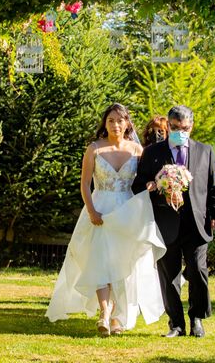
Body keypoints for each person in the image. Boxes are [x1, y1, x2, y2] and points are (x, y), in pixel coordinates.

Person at [46, 103, 166, 337]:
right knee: (101, 261)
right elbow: (84, 183)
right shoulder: (94, 149)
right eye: (111, 120)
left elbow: (144, 180)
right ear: (105, 123)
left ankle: (119, 317)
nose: (115, 125)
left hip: (127, 212)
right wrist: (91, 210)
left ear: (127, 123)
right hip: (100, 209)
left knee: (124, 263)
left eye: (120, 120)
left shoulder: (137, 151)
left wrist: (154, 183)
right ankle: (104, 312)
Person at [132, 105, 215, 338]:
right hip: (165, 221)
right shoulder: (153, 153)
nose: (179, 132)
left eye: (184, 128)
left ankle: (197, 319)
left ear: (191, 127)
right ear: (168, 126)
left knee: (198, 271)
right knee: (169, 275)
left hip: (197, 223)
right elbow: (137, 186)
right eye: (174, 128)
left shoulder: (205, 152)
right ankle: (176, 324)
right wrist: (152, 186)